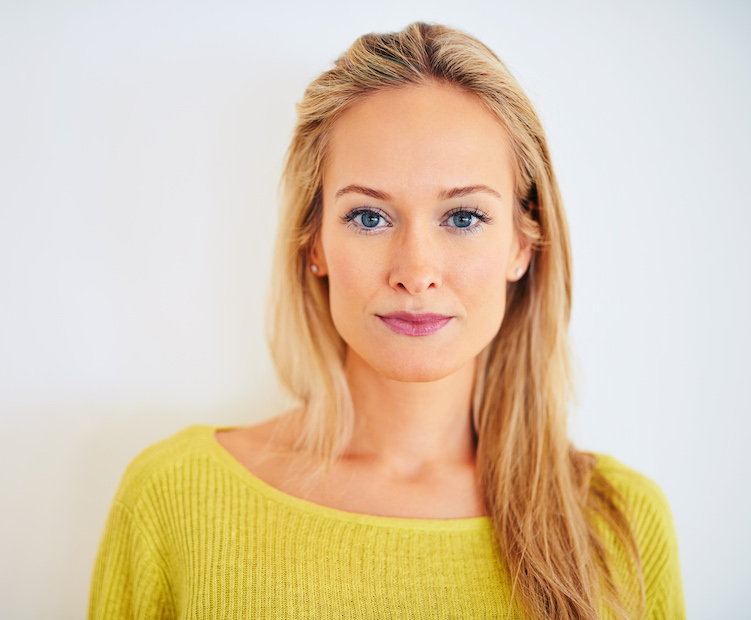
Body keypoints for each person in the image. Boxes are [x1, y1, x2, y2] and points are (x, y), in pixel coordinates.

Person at [88, 22, 684, 619]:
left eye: (464, 217)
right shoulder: (174, 500)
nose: (416, 272)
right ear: (313, 242)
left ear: (522, 245)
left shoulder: (621, 527)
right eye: (369, 218)